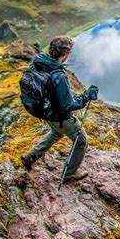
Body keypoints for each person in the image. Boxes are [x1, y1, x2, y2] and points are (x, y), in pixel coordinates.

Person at [21, 36, 98, 181]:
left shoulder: (40, 63)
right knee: (81, 140)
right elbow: (68, 105)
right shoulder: (59, 75)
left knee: (56, 133)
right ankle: (69, 174)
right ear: (65, 54)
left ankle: (30, 156)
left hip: (45, 112)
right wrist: (87, 96)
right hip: (59, 117)